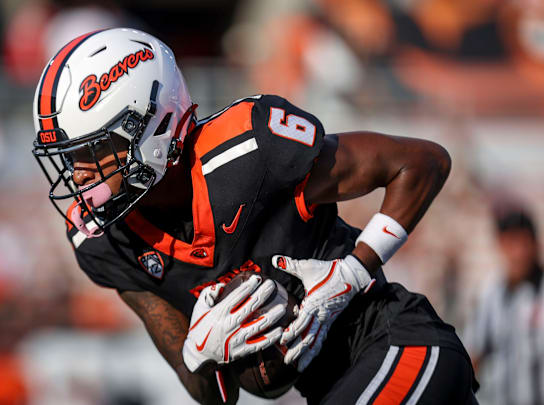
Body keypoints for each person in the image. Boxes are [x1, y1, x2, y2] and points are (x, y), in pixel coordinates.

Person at [30, 28, 478, 404]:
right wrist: (200, 353)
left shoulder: (250, 150)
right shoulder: (109, 243)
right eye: (69, 159)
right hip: (331, 388)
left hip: (402, 341)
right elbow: (214, 395)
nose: (77, 174)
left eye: (91, 151)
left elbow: (422, 162)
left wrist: (354, 272)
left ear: (149, 128)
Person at [465, 207, 543, 405]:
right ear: (500, 245)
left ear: (535, 244)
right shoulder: (491, 294)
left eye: (523, 244)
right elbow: (474, 353)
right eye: (511, 244)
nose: (518, 253)